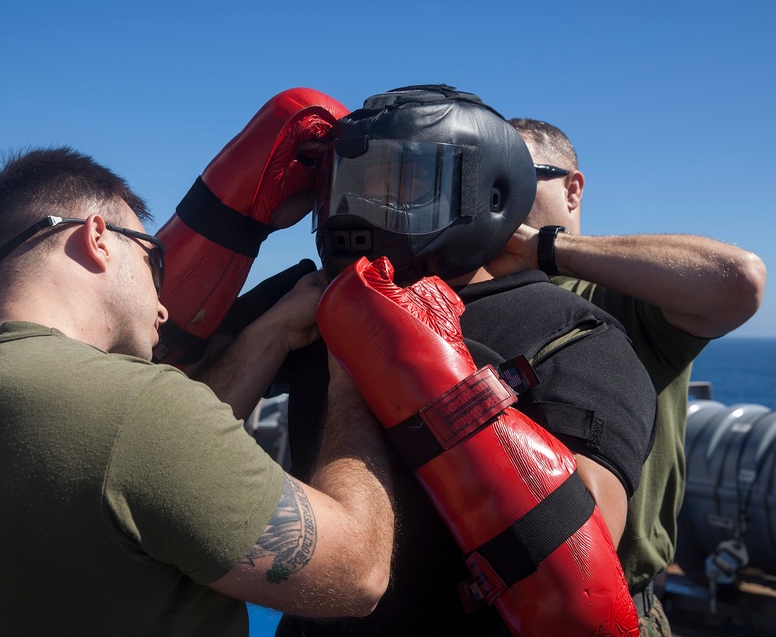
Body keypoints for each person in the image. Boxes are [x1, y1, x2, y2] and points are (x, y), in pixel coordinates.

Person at [0, 146, 396, 636]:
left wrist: (273, 332)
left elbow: (144, 465)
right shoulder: (137, 410)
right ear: (98, 238)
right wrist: (351, 366)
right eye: (153, 259)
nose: (163, 306)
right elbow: (358, 574)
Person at [278, 85, 658, 636]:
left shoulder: (575, 336)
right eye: (352, 181)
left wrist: (433, 380)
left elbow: (586, 552)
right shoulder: (305, 305)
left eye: (400, 183)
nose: (363, 204)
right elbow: (156, 401)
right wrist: (263, 329)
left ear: (485, 195)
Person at [496, 118, 767, 636]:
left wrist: (541, 249)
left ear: (572, 189)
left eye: (519, 179)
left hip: (615, 606)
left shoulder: (619, 302)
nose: (500, 200)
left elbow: (738, 282)